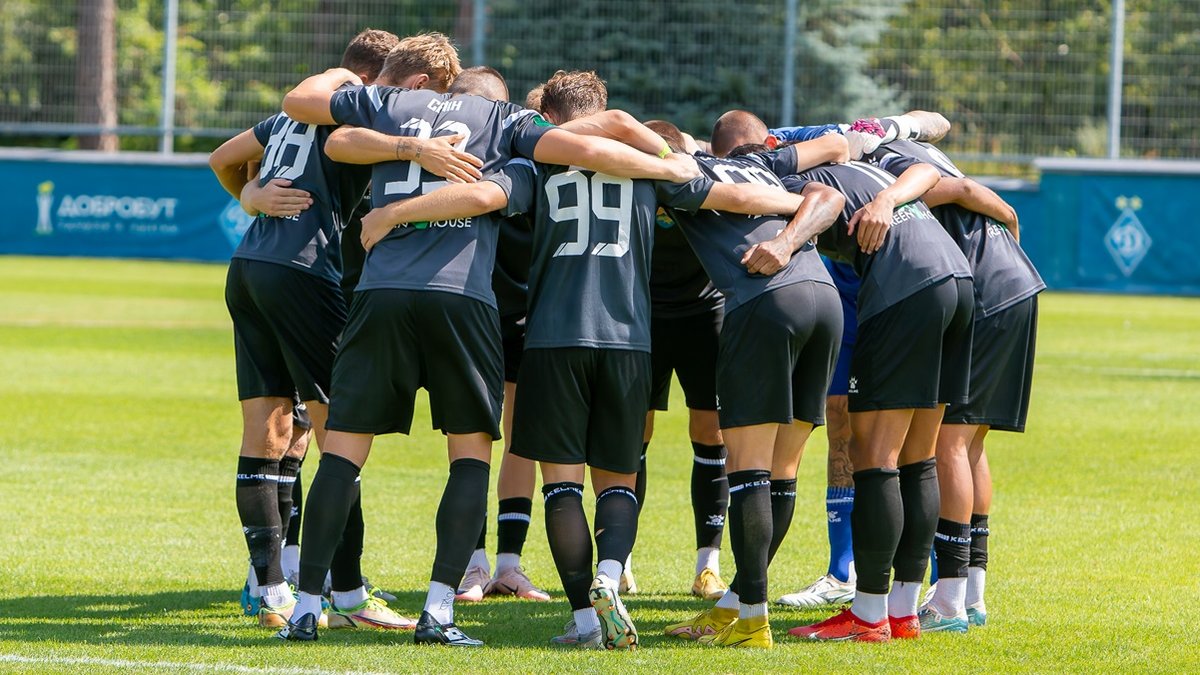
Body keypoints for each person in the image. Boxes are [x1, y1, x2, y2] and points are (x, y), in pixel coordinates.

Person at [350, 70, 812, 650]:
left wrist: (392, 213)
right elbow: (736, 197)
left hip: (552, 340)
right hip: (628, 341)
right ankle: (610, 576)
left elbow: (478, 196)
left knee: (561, 486)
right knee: (618, 479)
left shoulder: (534, 165)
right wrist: (802, 205)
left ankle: (586, 621)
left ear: (548, 118)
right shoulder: (647, 169)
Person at [275, 51, 701, 645]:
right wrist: (669, 164)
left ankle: (305, 609)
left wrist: (401, 168)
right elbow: (579, 149)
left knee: (343, 453)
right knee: (470, 458)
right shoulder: (506, 123)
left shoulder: (393, 102)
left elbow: (328, 131)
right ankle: (439, 611)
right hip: (463, 298)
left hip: (380, 292)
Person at [208, 29, 471, 632]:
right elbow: (330, 117)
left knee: (267, 431)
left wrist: (249, 196)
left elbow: (223, 158)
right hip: (303, 273)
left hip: (249, 266)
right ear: (410, 82)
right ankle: (349, 596)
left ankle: (271, 591)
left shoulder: (292, 119)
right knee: (341, 437)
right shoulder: (359, 106)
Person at [754, 153, 973, 643]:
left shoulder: (791, 180)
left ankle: (868, 614)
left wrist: (785, 241)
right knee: (919, 458)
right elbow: (930, 170)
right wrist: (888, 197)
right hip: (956, 280)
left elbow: (826, 202)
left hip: (905, 288)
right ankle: (903, 612)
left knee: (874, 456)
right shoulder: (865, 166)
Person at [650, 117, 848, 648]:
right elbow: (830, 186)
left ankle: (753, 621)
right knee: (784, 470)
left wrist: (779, 243)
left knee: (749, 471)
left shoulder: (676, 174)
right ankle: (735, 602)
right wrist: (791, 232)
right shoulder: (762, 162)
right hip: (825, 300)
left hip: (765, 302)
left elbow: (726, 197)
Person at [869, 139, 1043, 632]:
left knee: (947, 440)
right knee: (970, 441)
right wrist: (1010, 225)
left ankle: (949, 599)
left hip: (984, 291)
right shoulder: (924, 151)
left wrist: (1008, 214)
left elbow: (962, 189)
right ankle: (971, 593)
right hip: (1017, 285)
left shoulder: (891, 163)